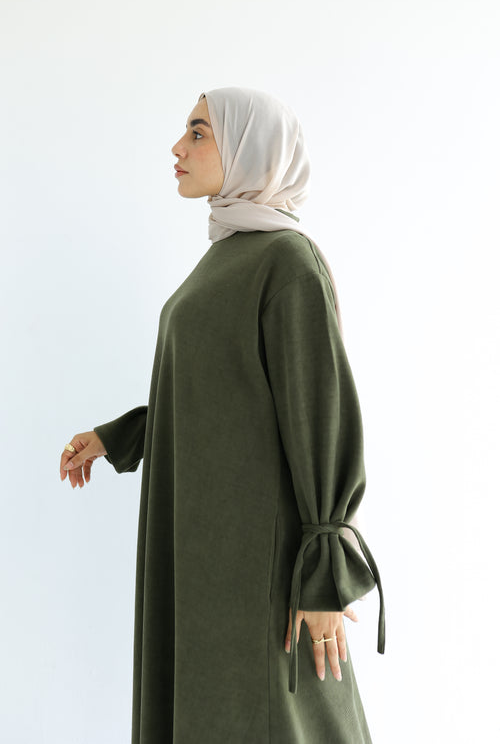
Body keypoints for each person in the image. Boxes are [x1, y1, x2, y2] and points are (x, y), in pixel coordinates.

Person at [59, 87, 385, 744]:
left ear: (248, 147)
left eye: (199, 132)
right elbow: (217, 393)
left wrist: (326, 574)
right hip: (202, 547)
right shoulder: (226, 253)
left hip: (256, 558)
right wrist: (118, 438)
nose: (178, 147)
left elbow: (318, 411)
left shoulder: (287, 261)